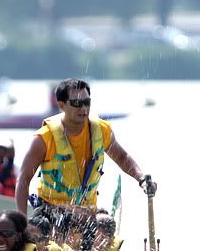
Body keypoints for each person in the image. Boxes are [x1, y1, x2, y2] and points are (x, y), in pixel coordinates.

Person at [15, 78, 157, 216]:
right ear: (62, 105)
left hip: (86, 213)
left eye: (86, 102)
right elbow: (23, 180)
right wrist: (22, 221)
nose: (83, 108)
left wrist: (142, 179)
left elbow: (122, 157)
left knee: (106, 225)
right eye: (76, 103)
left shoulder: (101, 130)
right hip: (51, 211)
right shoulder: (43, 139)